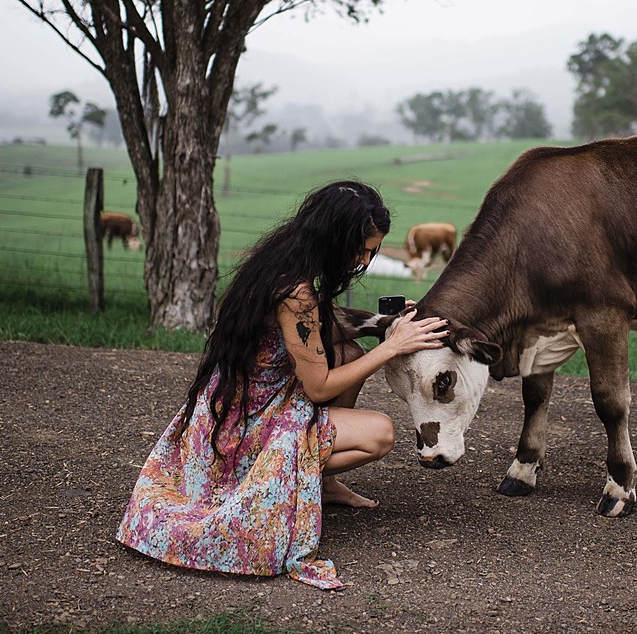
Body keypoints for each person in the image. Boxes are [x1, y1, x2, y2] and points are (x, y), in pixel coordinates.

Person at [116, 180, 447, 589]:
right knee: (380, 433)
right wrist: (393, 346)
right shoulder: (296, 292)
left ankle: (323, 484)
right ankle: (267, 474)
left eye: (372, 250)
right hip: (251, 423)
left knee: (349, 354)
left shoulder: (282, 261)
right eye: (361, 249)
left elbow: (320, 323)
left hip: (243, 401)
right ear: (335, 237)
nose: (364, 259)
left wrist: (382, 324)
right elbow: (320, 388)